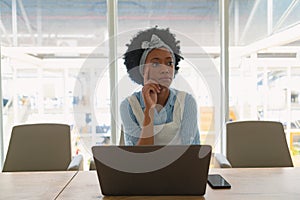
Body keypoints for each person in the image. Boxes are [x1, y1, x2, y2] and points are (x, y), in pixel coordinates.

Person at [120, 26, 200, 146]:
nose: (165, 70)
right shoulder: (128, 106)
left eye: (169, 63)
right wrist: (149, 110)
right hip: (143, 165)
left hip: (180, 165)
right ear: (142, 70)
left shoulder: (187, 102)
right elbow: (137, 157)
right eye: (156, 64)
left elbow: (190, 153)